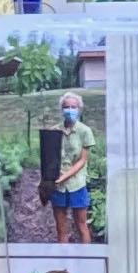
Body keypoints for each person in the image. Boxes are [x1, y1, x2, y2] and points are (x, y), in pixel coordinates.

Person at [44, 92, 95, 244]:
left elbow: (82, 161)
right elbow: (48, 159)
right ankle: (63, 263)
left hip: (77, 185)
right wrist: (47, 180)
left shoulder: (85, 131)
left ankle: (87, 261)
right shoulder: (54, 131)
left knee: (81, 225)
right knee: (61, 228)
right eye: (66, 107)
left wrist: (64, 176)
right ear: (62, 109)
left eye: (73, 107)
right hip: (58, 186)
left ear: (79, 109)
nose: (70, 110)